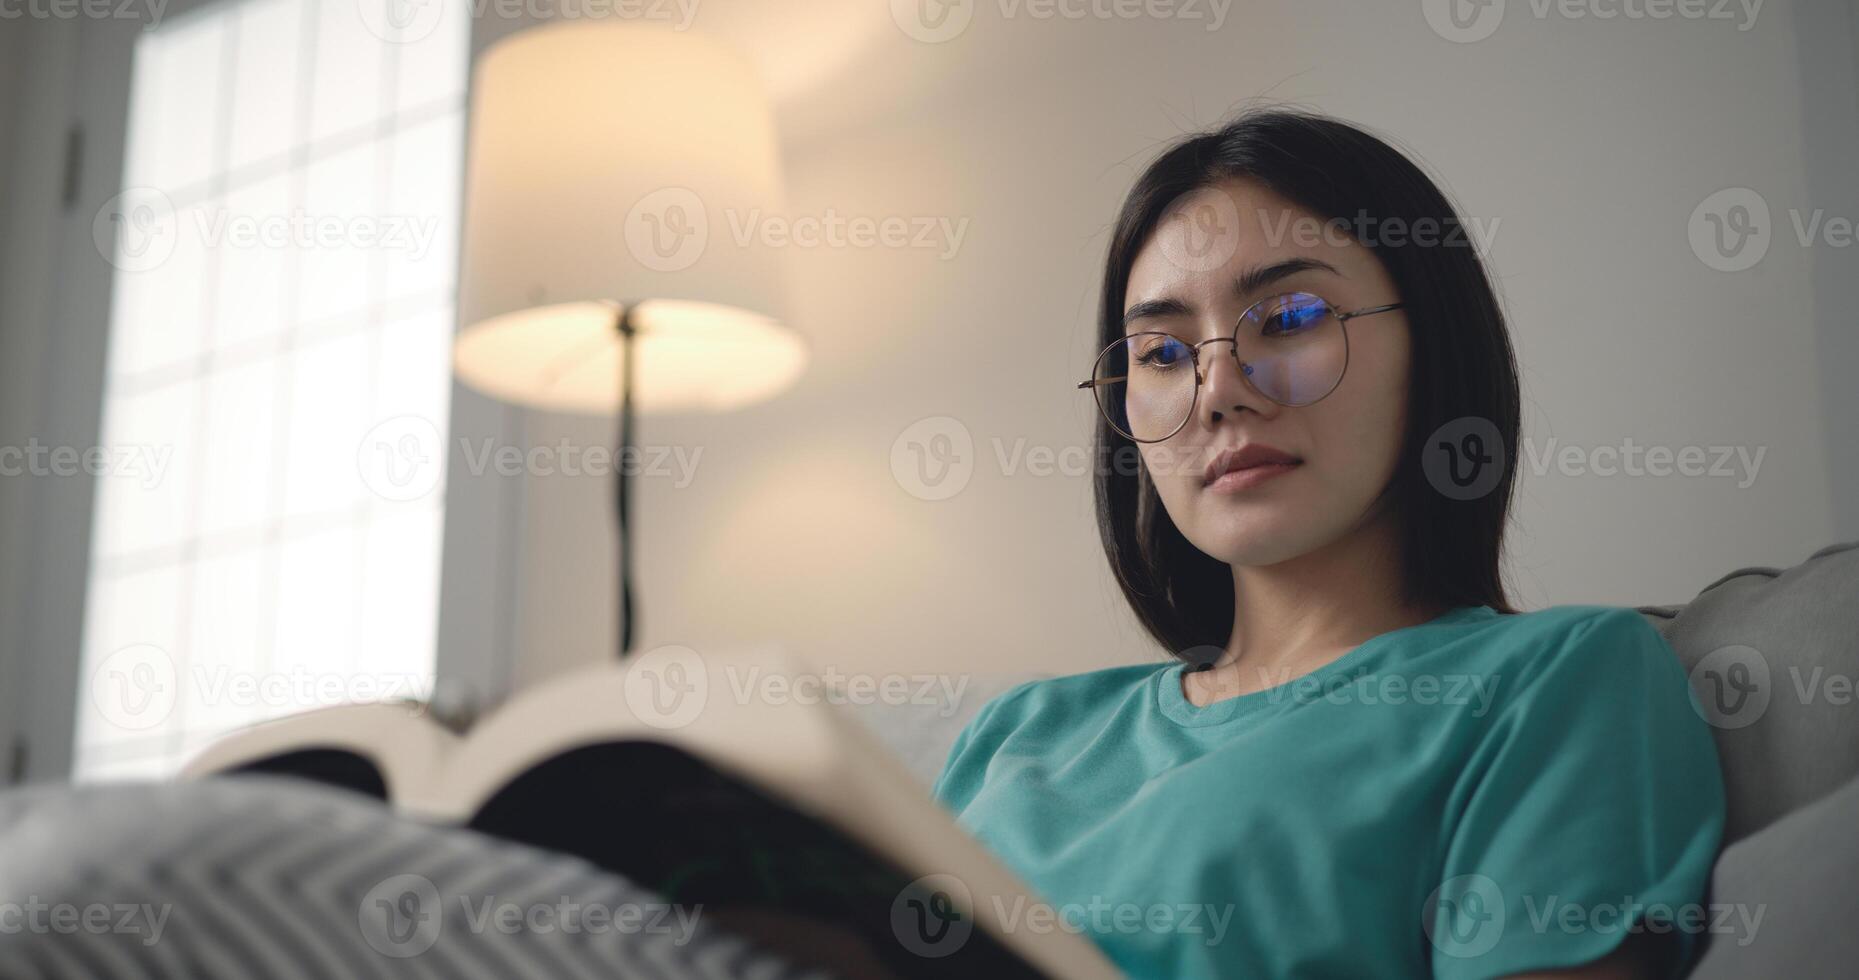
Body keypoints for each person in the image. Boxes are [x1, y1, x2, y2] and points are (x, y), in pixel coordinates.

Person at [932, 107, 1724, 980]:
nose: (1217, 390)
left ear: (1431, 342)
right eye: (1160, 352)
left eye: (1291, 315)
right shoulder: (1017, 735)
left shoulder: (1558, 682)